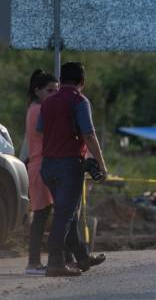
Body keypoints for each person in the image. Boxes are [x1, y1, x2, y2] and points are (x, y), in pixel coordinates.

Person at [38, 62, 108, 277]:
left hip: (48, 165)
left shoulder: (48, 102)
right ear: (82, 82)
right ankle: (55, 263)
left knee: (69, 214)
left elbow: (40, 129)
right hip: (68, 165)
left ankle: (82, 257)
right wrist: (102, 163)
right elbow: (88, 134)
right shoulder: (79, 101)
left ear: (63, 80)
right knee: (65, 215)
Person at [24, 70, 59, 275]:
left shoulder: (33, 108)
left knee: (43, 214)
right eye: (49, 90)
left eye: (56, 90)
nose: (54, 94)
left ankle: (35, 261)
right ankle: (33, 262)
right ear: (37, 91)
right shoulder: (39, 110)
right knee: (41, 216)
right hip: (42, 165)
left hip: (39, 165)